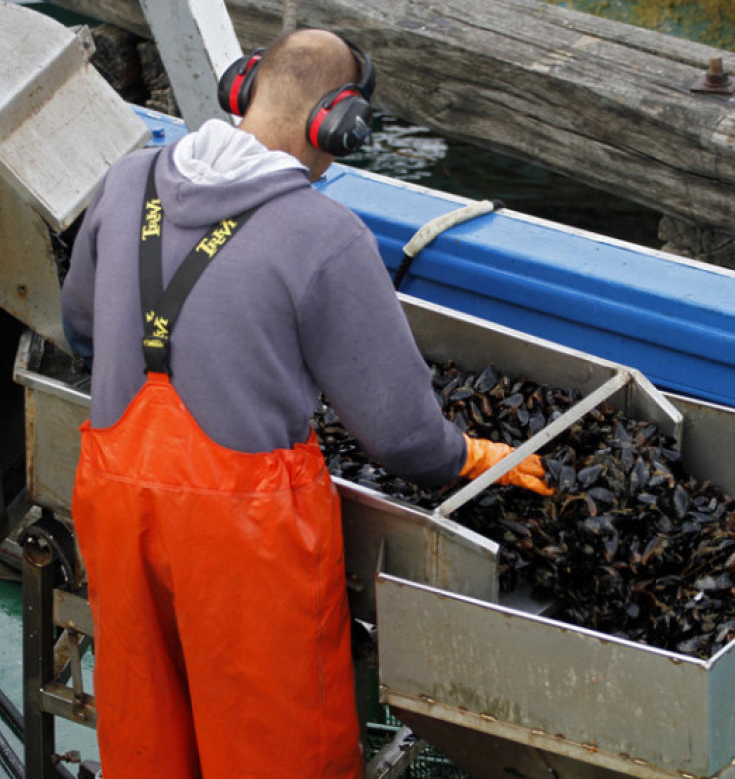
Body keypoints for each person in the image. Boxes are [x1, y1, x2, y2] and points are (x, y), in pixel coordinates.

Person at [61, 28, 551, 778]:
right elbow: (399, 436)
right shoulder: (325, 235)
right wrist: (472, 454)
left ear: (243, 87)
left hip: (115, 503)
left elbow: (83, 325)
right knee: (277, 749)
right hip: (243, 538)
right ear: (340, 124)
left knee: (145, 732)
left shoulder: (127, 180)